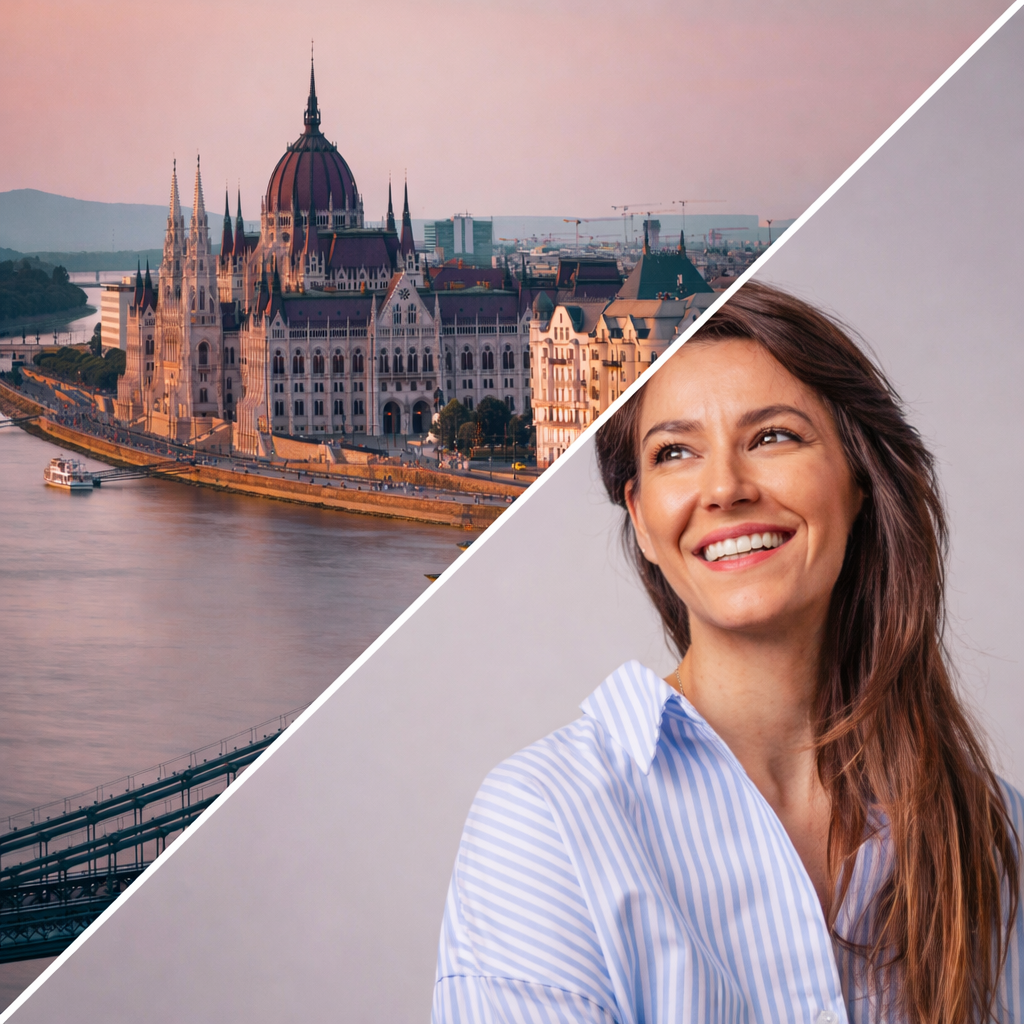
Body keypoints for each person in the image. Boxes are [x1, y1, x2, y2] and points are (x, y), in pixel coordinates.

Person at [432, 283, 1023, 1024]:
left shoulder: (991, 828)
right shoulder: (547, 822)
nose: (724, 489)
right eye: (675, 452)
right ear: (642, 518)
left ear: (861, 479)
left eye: (773, 437)